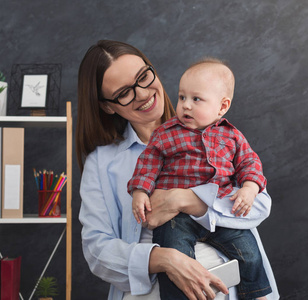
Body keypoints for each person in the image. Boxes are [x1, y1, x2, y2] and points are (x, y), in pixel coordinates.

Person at [76, 40, 279, 300]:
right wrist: (165, 259)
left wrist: (188, 200)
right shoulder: (102, 163)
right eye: (124, 92)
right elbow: (97, 251)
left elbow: (260, 205)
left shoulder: (219, 133)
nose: (142, 93)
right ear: (108, 105)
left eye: (143, 77)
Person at [128, 58, 271, 300]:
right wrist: (140, 192)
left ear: (222, 106)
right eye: (182, 97)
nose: (185, 106)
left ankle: (257, 295)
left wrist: (249, 186)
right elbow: (147, 164)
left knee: (249, 250)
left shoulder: (232, 136)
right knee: (175, 257)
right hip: (177, 218)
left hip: (219, 215)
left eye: (196, 99)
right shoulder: (166, 134)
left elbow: (250, 163)